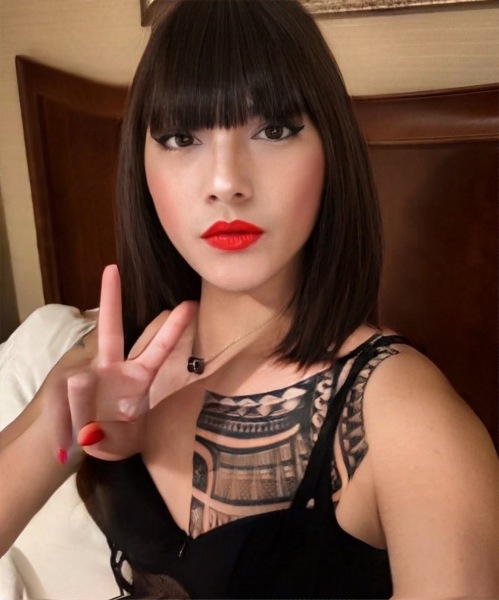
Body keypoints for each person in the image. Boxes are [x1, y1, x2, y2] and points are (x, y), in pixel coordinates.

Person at [1, 0, 497, 598]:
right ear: (141, 166)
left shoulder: (407, 421)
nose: (225, 183)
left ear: (331, 150)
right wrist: (57, 430)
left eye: (274, 131)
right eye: (181, 137)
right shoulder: (116, 355)